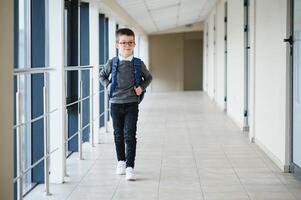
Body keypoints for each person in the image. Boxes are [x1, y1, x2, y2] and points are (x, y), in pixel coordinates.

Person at [99, 28, 152, 181]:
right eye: (123, 43)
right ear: (117, 45)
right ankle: (121, 162)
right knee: (118, 134)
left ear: (134, 44)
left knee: (130, 135)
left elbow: (148, 77)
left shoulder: (138, 64)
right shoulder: (112, 63)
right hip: (115, 104)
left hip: (131, 104)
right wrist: (107, 84)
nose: (126, 46)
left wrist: (141, 87)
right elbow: (102, 75)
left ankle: (130, 166)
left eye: (130, 43)